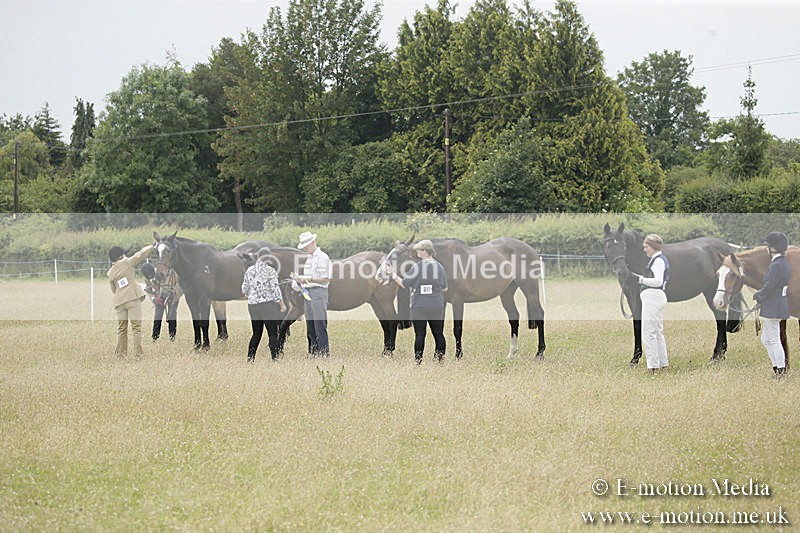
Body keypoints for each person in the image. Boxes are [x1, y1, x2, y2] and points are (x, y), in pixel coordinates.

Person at [387, 239, 448, 364]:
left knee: (420, 334)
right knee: (439, 333)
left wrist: (392, 274)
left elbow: (404, 283)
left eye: (419, 250)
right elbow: (445, 288)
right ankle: (440, 360)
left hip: (419, 306)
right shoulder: (439, 267)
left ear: (425, 251)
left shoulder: (417, 267)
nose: (417, 253)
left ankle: (418, 361)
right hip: (436, 305)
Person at [753, 231, 792, 378]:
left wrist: (758, 295)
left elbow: (769, 286)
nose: (766, 248)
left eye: (768, 246)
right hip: (777, 304)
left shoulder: (776, 265)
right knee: (766, 339)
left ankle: (780, 370)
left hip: (774, 306)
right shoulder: (783, 263)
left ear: (774, 248)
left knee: (774, 339)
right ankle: (777, 367)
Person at [107, 243, 155, 358]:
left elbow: (114, 290)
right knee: (136, 328)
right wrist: (152, 246)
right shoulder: (126, 262)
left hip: (119, 302)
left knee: (122, 329)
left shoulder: (110, 273)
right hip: (132, 299)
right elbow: (140, 254)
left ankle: (121, 354)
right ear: (120, 256)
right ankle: (138, 354)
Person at [242, 249, 287, 362]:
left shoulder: (249, 270)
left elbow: (244, 289)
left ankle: (250, 359)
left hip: (253, 306)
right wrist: (282, 305)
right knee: (272, 333)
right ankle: (274, 359)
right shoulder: (270, 271)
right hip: (268, 305)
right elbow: (275, 290)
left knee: (256, 333)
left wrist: (252, 295)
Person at [635, 234, 670, 372]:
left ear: (653, 246)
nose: (644, 250)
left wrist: (639, 279)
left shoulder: (658, 261)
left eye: (646, 247)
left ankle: (653, 367)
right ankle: (663, 363)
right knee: (657, 331)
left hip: (653, 297)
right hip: (654, 297)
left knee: (649, 332)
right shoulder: (657, 260)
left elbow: (657, 281)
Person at [297, 231, 332, 357]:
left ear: (313, 242)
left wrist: (307, 279)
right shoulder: (309, 258)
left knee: (319, 323)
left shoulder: (322, 257)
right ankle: (313, 351)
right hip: (308, 291)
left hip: (318, 292)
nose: (305, 248)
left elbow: (326, 278)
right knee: (310, 323)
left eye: (306, 245)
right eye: (304, 246)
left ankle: (324, 352)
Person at [140, 262, 178, 342]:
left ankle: (172, 337)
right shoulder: (146, 278)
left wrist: (172, 295)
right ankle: (155, 337)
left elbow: (171, 283)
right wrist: (154, 299)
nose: (150, 277)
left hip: (171, 295)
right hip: (159, 298)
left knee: (172, 316)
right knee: (157, 316)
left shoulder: (162, 272)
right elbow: (148, 288)